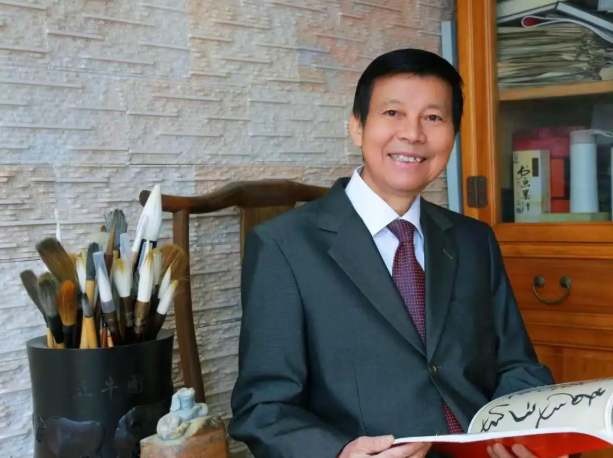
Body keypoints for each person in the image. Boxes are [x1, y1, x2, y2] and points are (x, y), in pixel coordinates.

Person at [229, 48, 571, 458]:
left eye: (433, 117)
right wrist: (339, 453)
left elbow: (518, 366)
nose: (412, 134)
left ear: (453, 136)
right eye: (393, 113)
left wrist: (527, 436)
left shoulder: (474, 239)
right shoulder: (284, 246)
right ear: (357, 127)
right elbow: (263, 408)